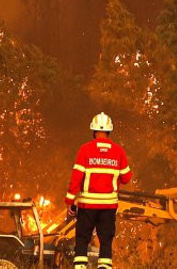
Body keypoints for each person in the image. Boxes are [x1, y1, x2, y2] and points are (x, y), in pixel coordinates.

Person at [64, 112, 131, 269]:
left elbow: (76, 178)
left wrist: (69, 201)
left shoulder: (85, 150)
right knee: (106, 240)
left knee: (82, 238)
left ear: (93, 131)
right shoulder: (119, 151)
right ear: (109, 130)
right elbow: (126, 178)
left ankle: (80, 267)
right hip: (108, 206)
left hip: (87, 206)